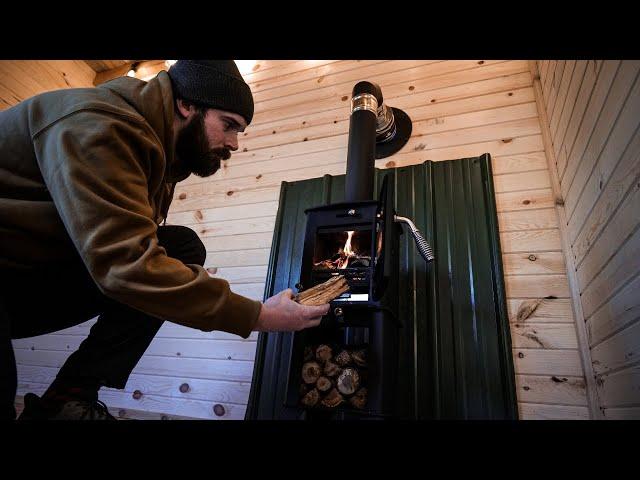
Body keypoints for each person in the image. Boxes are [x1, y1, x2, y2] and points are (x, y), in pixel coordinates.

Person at [0, 60, 329, 420]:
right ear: (187, 105)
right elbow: (129, 266)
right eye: (229, 125)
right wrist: (260, 316)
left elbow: (134, 262)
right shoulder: (98, 123)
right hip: (12, 274)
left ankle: (68, 396)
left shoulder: (162, 162)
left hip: (27, 278)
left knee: (180, 247)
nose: (234, 143)